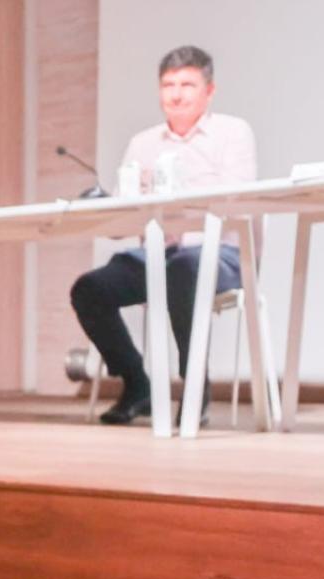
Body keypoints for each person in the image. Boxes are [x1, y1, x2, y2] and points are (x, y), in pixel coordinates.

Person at [71, 45, 257, 425]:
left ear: (209, 91)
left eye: (188, 84)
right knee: (89, 289)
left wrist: (172, 205)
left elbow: (238, 202)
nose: (176, 94)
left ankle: (194, 388)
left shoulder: (232, 133)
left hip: (217, 254)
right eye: (168, 84)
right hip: (155, 255)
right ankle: (138, 384)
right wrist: (111, 208)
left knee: (183, 270)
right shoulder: (143, 143)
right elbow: (125, 217)